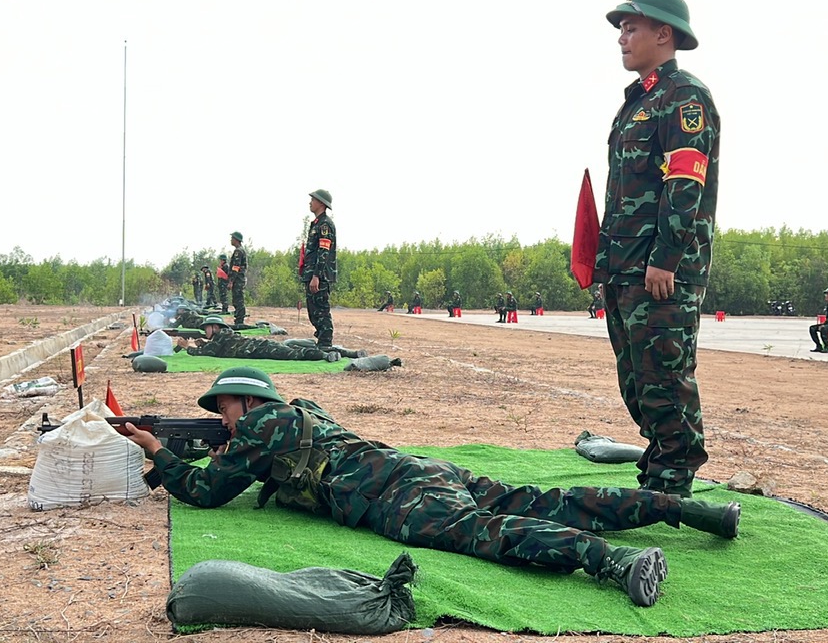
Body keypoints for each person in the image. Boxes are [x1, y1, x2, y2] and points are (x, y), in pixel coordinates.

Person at [121, 367, 741, 607]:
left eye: (224, 409)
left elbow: (205, 493)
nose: (224, 420)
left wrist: (156, 451)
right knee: (548, 499)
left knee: (488, 535)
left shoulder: (262, 423)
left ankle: (617, 562)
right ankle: (692, 510)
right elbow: (266, 472)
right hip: (422, 470)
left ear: (247, 402)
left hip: (395, 495)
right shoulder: (298, 413)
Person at [595, 0, 720, 497]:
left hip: (661, 272)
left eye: (632, 28)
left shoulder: (683, 98)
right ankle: (658, 460)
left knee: (664, 376)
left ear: (663, 33)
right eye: (621, 29)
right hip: (626, 267)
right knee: (636, 378)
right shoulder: (639, 101)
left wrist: (665, 260)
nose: (622, 37)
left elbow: (684, 184)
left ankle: (674, 478)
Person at [179, 317, 359, 361]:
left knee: (294, 354)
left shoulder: (222, 336)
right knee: (293, 351)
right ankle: (338, 352)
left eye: (207, 328)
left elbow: (210, 353)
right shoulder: (221, 337)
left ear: (215, 328)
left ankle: (326, 355)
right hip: (258, 347)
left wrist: (188, 347)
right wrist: (202, 343)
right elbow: (212, 348)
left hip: (259, 349)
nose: (205, 331)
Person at [300, 189, 337, 347]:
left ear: (321, 203)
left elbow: (324, 252)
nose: (310, 202)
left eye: (313, 200)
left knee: (321, 310)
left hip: (319, 275)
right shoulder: (315, 224)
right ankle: (321, 339)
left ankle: (326, 343)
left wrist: (316, 276)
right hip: (311, 274)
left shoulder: (325, 225)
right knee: (313, 311)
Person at [229, 232, 248, 325]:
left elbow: (235, 267)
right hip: (239, 279)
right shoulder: (240, 250)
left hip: (238, 280)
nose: (230, 240)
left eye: (232, 238)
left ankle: (240, 320)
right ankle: (239, 319)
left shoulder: (238, 251)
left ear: (236, 239)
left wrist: (231, 281)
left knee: (238, 300)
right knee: (237, 300)